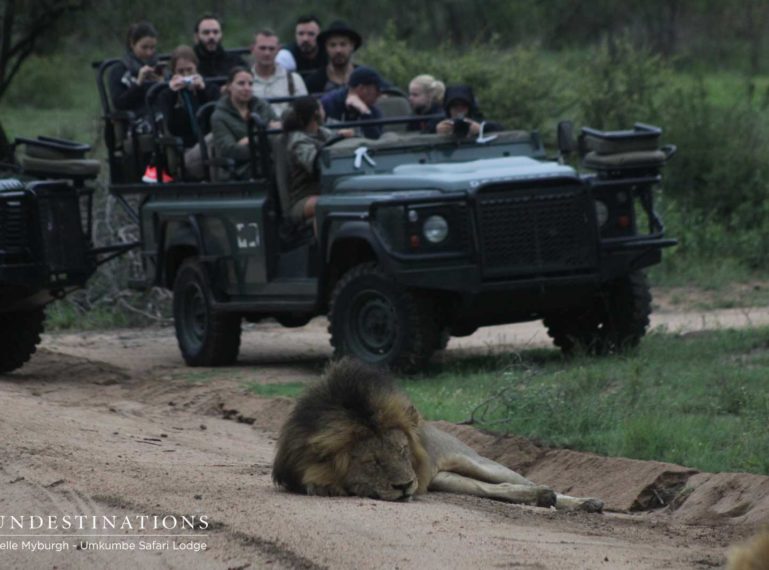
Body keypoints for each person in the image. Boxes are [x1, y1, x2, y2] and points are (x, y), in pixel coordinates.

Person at [211, 67, 279, 180]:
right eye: (241, 83)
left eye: (250, 84)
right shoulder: (219, 116)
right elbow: (229, 150)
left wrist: (250, 140)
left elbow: (278, 129)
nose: (247, 88)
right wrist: (264, 139)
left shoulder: (262, 106)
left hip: (270, 159)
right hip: (242, 168)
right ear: (229, 86)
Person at [282, 96, 337, 225]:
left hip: (328, 190)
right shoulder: (297, 140)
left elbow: (338, 145)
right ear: (316, 113)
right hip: (303, 197)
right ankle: (323, 245)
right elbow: (316, 164)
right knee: (328, 204)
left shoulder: (324, 132)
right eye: (322, 107)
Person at [109, 21, 161, 122]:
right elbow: (119, 104)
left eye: (152, 48)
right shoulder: (119, 70)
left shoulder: (158, 67)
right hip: (137, 120)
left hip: (161, 114)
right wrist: (138, 83)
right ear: (132, 44)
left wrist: (164, 83)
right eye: (144, 47)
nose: (149, 53)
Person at [250, 29, 308, 116]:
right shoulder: (243, 81)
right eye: (262, 48)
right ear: (252, 49)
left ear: (278, 50)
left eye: (271, 48)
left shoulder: (294, 79)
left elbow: (306, 111)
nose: (267, 53)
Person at [305, 21, 361, 94]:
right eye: (333, 45)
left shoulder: (365, 78)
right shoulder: (313, 82)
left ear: (352, 46)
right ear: (326, 48)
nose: (338, 50)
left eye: (343, 44)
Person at [434, 85, 503, 138]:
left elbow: (501, 128)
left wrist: (481, 128)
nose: (459, 109)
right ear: (448, 108)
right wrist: (437, 132)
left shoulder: (478, 121)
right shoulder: (439, 122)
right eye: (454, 106)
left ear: (470, 107)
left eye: (464, 105)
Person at [275, 15, 327, 80]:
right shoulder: (286, 56)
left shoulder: (328, 52)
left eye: (311, 34)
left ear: (320, 36)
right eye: (301, 34)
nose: (305, 39)